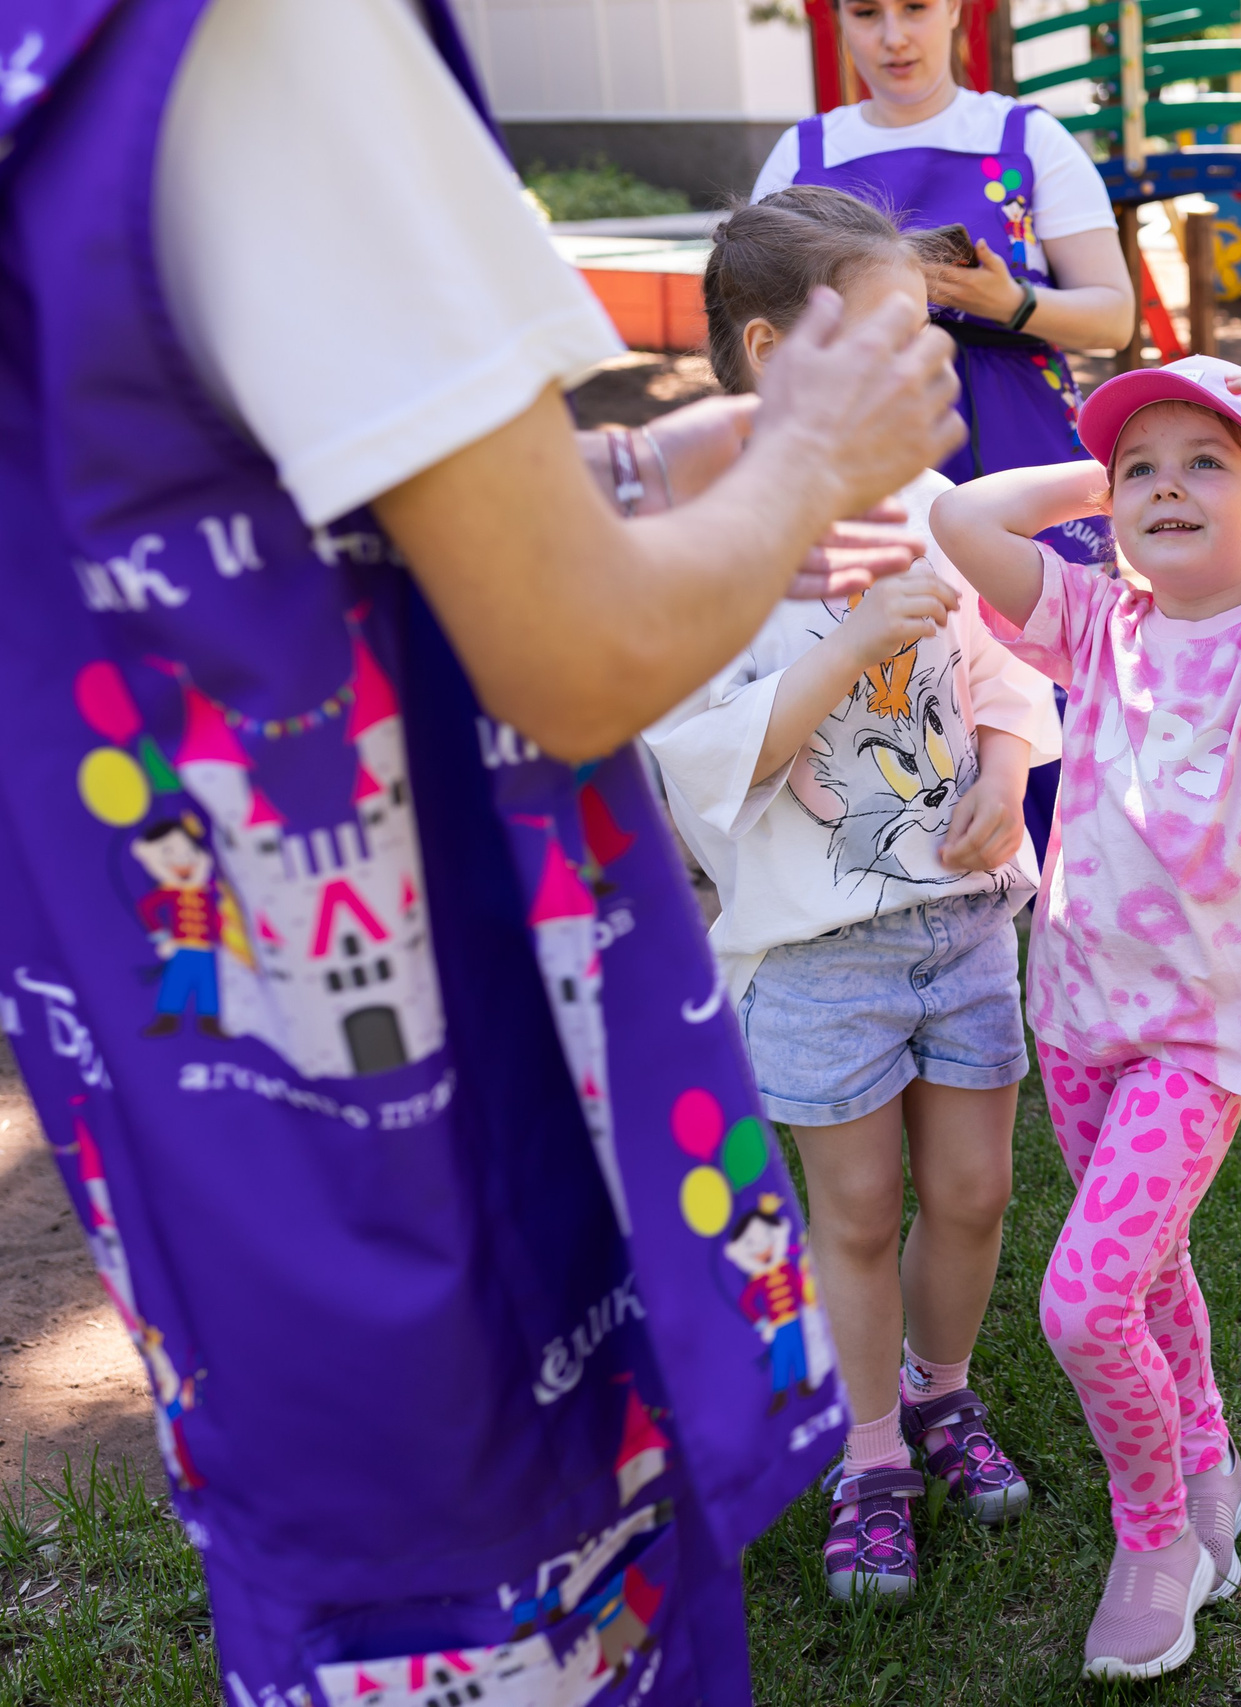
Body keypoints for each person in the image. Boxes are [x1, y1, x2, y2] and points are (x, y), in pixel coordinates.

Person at [0, 0, 964, 1700]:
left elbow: (271, 518)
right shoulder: (269, 37)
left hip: (221, 1136)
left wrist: (653, 464)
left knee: (347, 1594)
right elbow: (574, 653)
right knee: (526, 1605)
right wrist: (813, 455)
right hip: (446, 1155)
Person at [930, 356, 1241, 1679]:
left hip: (1201, 1039)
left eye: (1209, 465)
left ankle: (1156, 1537)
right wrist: (1116, 475)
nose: (1167, 485)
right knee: (1152, 1264)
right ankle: (1206, 1463)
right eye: (1145, 469)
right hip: (1079, 1014)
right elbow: (964, 527)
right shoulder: (1096, 621)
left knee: (1084, 1300)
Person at [645, 188, 1062, 1604]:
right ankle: (869, 1444)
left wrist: (1006, 769)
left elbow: (1002, 669)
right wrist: (844, 651)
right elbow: (703, 762)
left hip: (961, 929)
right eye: (888, 342)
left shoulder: (921, 514)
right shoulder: (707, 545)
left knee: (975, 1185)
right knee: (863, 1207)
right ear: (772, 352)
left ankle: (944, 1391)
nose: (922, 372)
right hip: (818, 955)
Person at [753, 0, 1140, 863]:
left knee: (1047, 650)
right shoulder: (803, 155)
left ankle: (1080, 883)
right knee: (895, 652)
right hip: (868, 443)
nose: (893, 36)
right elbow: (763, 312)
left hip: (1018, 433)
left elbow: (1114, 315)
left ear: (957, 11)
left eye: (916, 8)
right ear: (840, 22)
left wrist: (1015, 303)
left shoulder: (1026, 137)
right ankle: (908, 876)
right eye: (867, 13)